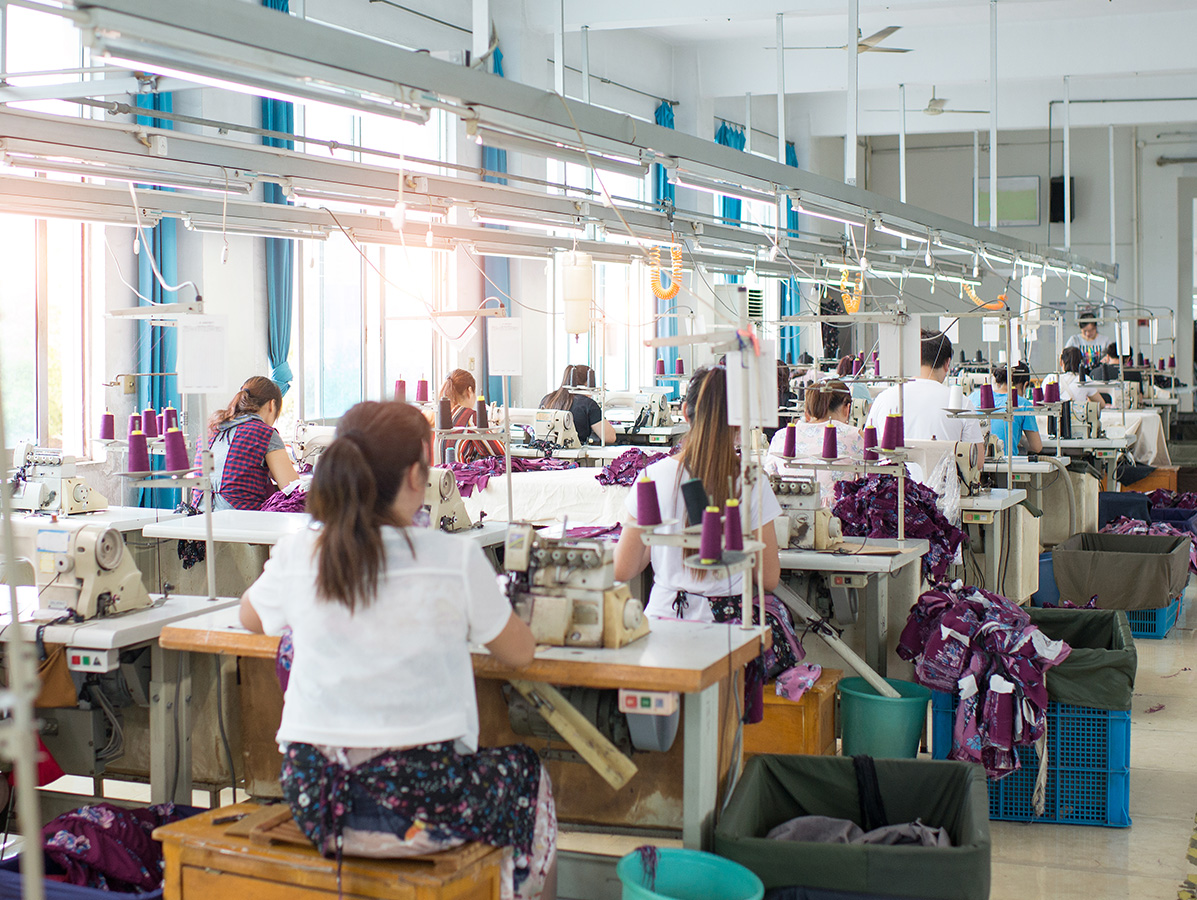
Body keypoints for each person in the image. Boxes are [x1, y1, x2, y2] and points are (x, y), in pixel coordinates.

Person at [238, 401, 556, 900]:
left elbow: (250, 618)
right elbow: (519, 653)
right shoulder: (453, 556)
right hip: (421, 808)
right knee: (528, 776)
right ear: (415, 476)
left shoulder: (303, 552)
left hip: (317, 802)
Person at [613, 367, 800, 675]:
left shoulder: (653, 477)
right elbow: (768, 579)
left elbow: (624, 568)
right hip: (727, 634)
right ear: (740, 423)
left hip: (663, 626)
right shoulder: (751, 482)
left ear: (685, 412)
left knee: (667, 722)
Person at [865, 331, 984, 450]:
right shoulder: (962, 403)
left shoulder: (883, 398)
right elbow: (977, 461)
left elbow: (867, 448)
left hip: (894, 468)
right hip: (944, 469)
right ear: (947, 363)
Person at [204, 376, 299, 510]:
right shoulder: (265, 433)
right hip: (242, 520)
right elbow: (292, 488)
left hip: (201, 516)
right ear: (272, 405)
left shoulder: (213, 429)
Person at [765, 380, 864, 505]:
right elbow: (869, 484)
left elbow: (769, 481)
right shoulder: (855, 436)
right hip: (837, 516)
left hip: (789, 512)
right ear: (847, 409)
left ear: (807, 410)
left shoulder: (781, 436)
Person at [969, 363, 1042, 456]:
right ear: (1025, 385)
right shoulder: (1023, 404)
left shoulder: (973, 397)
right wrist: (1019, 437)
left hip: (973, 461)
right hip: (1006, 465)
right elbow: (1036, 447)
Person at [539, 364, 616, 445]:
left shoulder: (547, 399)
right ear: (587, 384)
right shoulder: (588, 404)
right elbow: (610, 437)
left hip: (543, 453)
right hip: (573, 453)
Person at [438, 369, 502, 464]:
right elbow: (499, 451)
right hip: (460, 476)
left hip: (441, 475)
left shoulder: (445, 416)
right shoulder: (470, 417)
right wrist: (495, 434)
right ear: (469, 390)